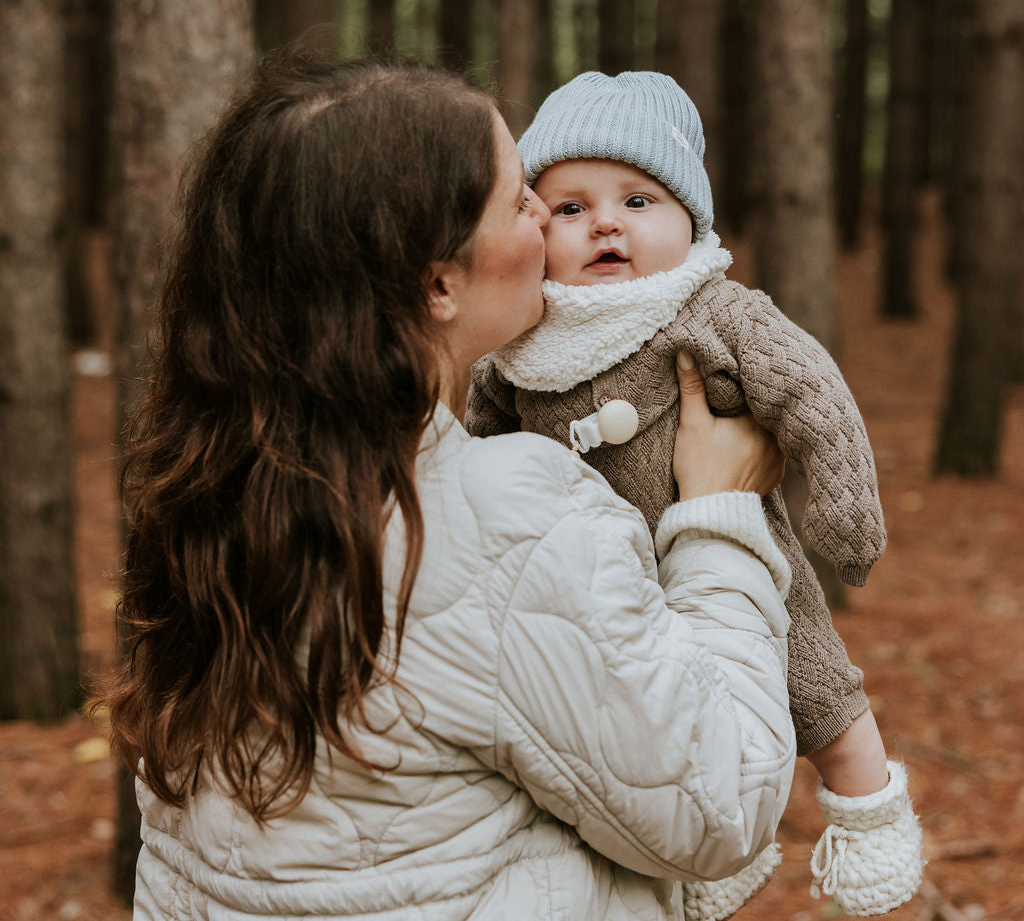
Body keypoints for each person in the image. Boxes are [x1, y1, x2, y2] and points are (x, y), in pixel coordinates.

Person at [106, 54, 798, 921]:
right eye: (519, 199)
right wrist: (717, 521)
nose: (550, 214)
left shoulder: (208, 505)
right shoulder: (508, 519)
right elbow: (722, 801)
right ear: (437, 281)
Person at [467, 71, 924, 919]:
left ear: (692, 220)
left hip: (739, 554)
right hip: (595, 590)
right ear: (535, 227)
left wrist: (845, 517)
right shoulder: (522, 342)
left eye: (638, 200)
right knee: (634, 731)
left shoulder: (714, 311)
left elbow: (810, 392)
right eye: (569, 207)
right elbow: (479, 436)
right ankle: (707, 863)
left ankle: (869, 808)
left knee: (814, 680)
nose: (605, 222)